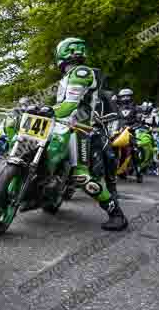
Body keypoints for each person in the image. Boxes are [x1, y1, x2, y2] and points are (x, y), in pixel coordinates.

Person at [51, 37, 128, 231]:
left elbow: (70, 105)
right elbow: (62, 107)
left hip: (79, 129)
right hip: (61, 127)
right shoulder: (67, 77)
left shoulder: (82, 72)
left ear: (64, 53)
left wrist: (47, 111)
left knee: (81, 177)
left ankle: (116, 214)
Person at [115, 88, 143, 183]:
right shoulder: (116, 108)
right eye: (123, 96)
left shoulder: (136, 108)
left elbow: (139, 121)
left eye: (127, 96)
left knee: (135, 150)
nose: (125, 98)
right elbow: (112, 119)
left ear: (131, 97)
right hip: (117, 132)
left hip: (130, 132)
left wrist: (132, 127)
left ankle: (138, 172)